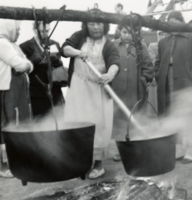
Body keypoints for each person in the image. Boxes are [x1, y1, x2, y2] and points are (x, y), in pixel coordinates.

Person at [61, 8, 120, 179]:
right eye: (92, 23)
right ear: (86, 25)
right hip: (79, 87)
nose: (95, 27)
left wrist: (110, 74)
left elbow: (114, 61)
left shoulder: (109, 44)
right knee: (77, 124)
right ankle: (80, 163)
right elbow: (65, 49)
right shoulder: (79, 37)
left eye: (99, 23)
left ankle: (98, 164)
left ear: (105, 25)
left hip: (98, 89)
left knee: (99, 127)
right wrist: (79, 52)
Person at [155, 11, 192, 163]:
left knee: (186, 116)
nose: (172, 26)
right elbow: (158, 61)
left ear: (182, 22)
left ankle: (189, 151)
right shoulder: (163, 41)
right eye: (169, 23)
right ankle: (179, 150)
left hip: (186, 81)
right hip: (167, 82)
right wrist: (158, 75)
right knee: (172, 115)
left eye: (175, 22)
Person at [112, 25, 154, 161]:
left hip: (136, 90)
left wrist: (143, 81)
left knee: (137, 118)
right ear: (119, 32)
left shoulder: (141, 46)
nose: (127, 35)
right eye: (124, 32)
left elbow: (148, 67)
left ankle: (138, 148)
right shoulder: (113, 45)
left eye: (131, 32)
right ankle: (122, 150)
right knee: (119, 119)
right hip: (117, 90)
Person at [0, 19, 33, 177]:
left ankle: (18, 160)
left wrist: (27, 65)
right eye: (17, 28)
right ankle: (6, 166)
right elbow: (21, 65)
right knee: (9, 126)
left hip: (16, 91)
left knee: (16, 124)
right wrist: (28, 65)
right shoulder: (2, 43)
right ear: (9, 27)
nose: (19, 31)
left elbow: (24, 63)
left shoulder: (12, 45)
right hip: (8, 92)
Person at [20, 22, 65, 120]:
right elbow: (22, 70)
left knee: (59, 122)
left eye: (48, 31)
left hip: (55, 91)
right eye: (42, 31)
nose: (46, 34)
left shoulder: (54, 44)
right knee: (39, 123)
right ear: (35, 30)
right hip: (37, 94)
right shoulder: (25, 47)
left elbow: (60, 67)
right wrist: (33, 61)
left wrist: (57, 62)